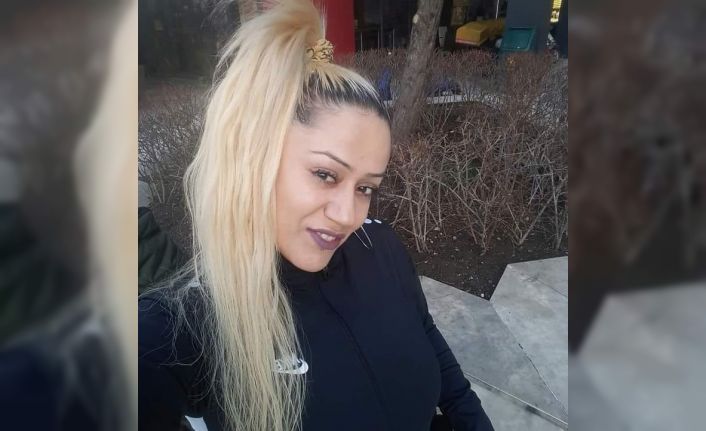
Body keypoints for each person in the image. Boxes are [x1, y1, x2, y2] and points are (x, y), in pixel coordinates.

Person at [138, 1, 494, 430]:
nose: (348, 216)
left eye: (366, 188)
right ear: (256, 160)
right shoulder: (184, 327)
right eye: (325, 175)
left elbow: (429, 339)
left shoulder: (380, 246)